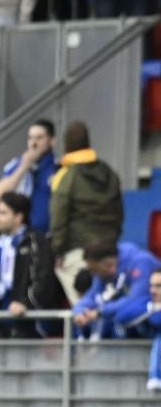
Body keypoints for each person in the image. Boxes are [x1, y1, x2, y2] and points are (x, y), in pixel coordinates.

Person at [49, 121, 124, 302]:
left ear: (66, 145)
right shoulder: (110, 173)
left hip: (78, 252)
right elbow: (119, 214)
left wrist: (57, 251)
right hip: (109, 251)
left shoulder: (65, 176)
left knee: (84, 308)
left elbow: (58, 217)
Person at [0, 191, 64, 336]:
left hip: (26, 319)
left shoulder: (35, 241)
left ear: (18, 217)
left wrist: (26, 304)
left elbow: (43, 280)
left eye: (3, 213)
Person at [72, 240, 160, 339]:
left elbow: (137, 299)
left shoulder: (141, 262)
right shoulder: (102, 274)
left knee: (121, 319)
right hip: (126, 319)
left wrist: (100, 312)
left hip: (151, 319)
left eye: (94, 269)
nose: (93, 274)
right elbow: (91, 296)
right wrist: (80, 312)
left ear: (109, 265)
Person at [0, 119, 58, 235]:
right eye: (30, 138)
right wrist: (23, 167)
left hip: (47, 235)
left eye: (39, 138)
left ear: (51, 141)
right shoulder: (16, 165)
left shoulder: (58, 167)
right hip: (19, 236)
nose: (34, 143)